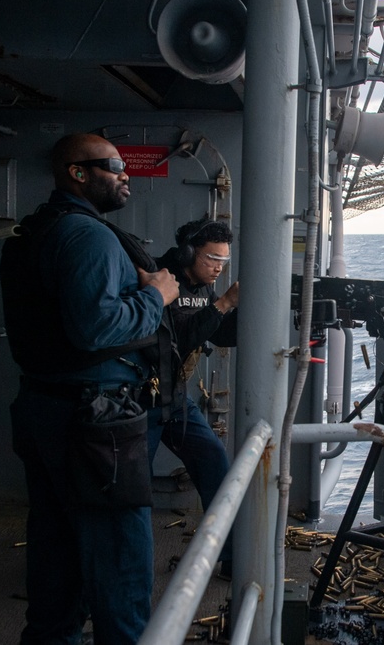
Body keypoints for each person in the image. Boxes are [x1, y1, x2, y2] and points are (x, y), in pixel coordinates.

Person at [0, 133, 179, 645]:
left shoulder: (36, 231)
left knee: (56, 555)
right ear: (77, 173)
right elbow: (96, 329)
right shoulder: (88, 237)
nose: (127, 174)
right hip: (95, 426)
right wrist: (158, 296)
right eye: (115, 165)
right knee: (121, 564)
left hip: (45, 410)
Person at [147, 220, 238, 571]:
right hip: (144, 401)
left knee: (214, 461)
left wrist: (249, 312)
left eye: (223, 261)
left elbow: (218, 334)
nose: (218, 267)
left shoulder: (203, 287)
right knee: (131, 490)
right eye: (212, 258)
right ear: (188, 252)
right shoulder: (161, 280)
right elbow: (178, 338)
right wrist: (225, 303)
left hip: (175, 397)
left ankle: (230, 556)